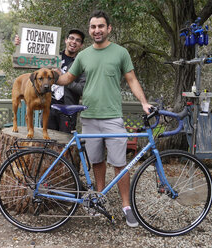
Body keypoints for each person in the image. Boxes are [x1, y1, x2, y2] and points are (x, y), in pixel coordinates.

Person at [54, 10, 152, 227]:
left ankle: (127, 206)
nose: (96, 30)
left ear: (109, 29)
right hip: (89, 116)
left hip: (113, 117)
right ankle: (99, 199)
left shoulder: (120, 53)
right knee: (97, 161)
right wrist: (47, 75)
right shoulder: (83, 55)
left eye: (100, 26)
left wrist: (144, 102)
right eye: (93, 27)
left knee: (120, 164)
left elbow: (132, 79)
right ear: (90, 31)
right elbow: (68, 78)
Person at [14, 29, 86, 133]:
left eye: (78, 40)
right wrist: (21, 45)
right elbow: (30, 60)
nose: (74, 42)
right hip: (48, 107)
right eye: (71, 38)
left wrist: (64, 78)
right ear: (66, 40)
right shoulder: (51, 57)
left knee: (65, 145)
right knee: (47, 145)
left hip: (67, 112)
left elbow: (81, 89)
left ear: (81, 45)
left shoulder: (81, 64)